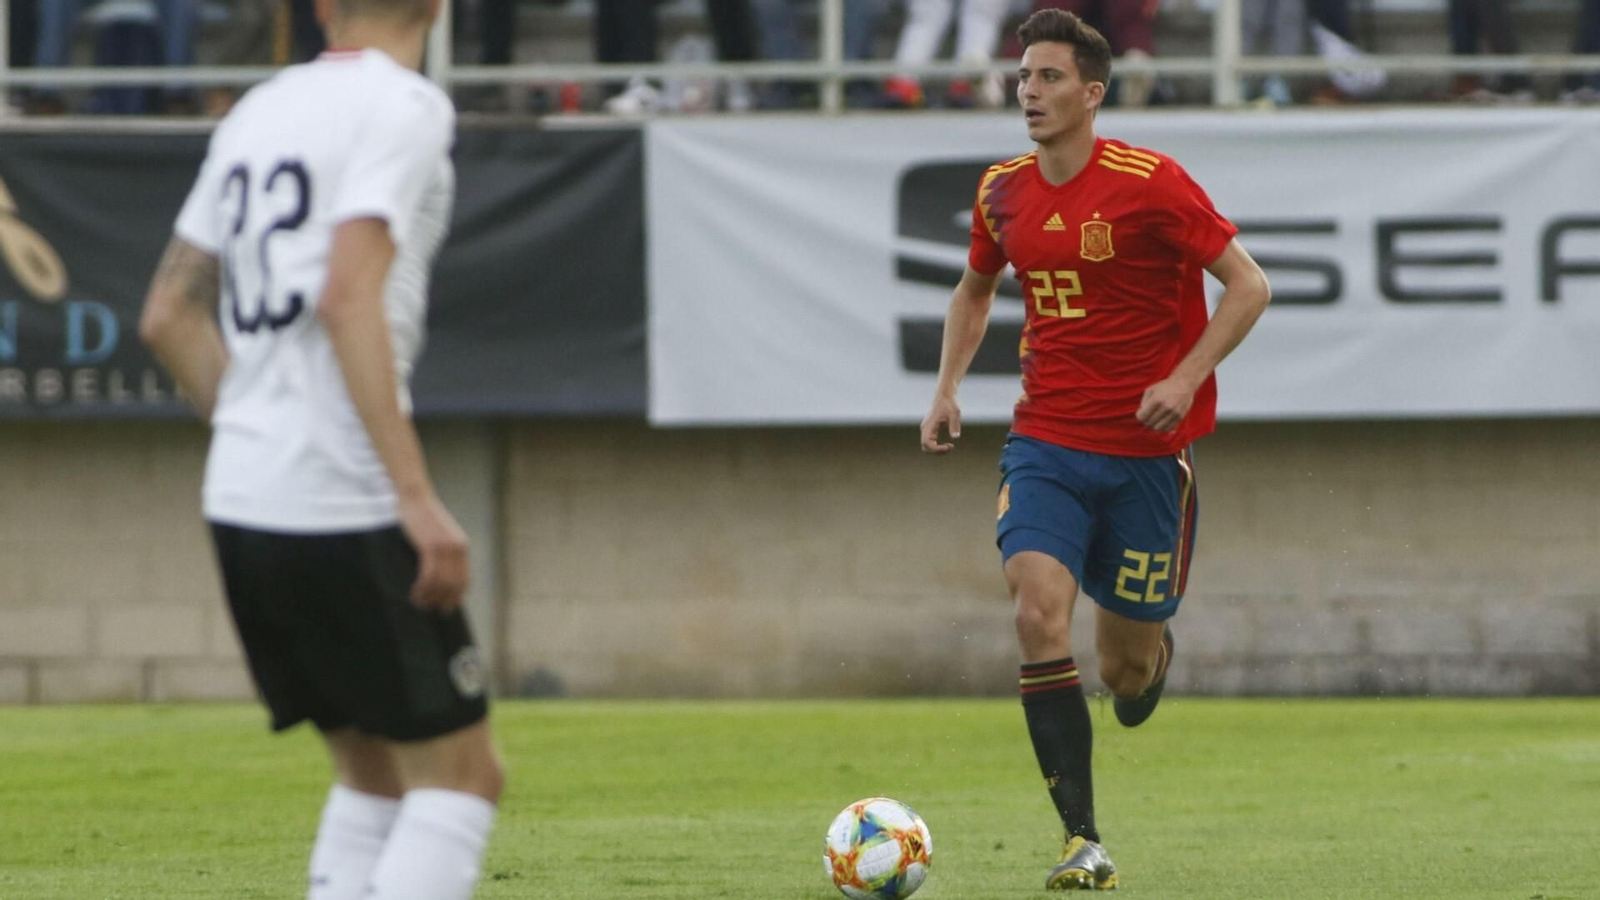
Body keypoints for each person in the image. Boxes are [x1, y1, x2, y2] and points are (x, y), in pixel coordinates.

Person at [138, 1, 504, 898]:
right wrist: (415, 497)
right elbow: (348, 297)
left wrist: (261, 437)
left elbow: (167, 315)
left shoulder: (259, 109)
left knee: (372, 778)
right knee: (463, 778)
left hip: (243, 495)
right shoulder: (406, 106)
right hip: (342, 496)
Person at [918, 9, 1270, 890]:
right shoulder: (1001, 189)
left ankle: (1150, 666)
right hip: (1046, 442)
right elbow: (973, 291)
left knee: (1124, 667)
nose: (1027, 92)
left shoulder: (1153, 184)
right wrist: (948, 388)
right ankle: (1083, 837)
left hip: (1148, 458)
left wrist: (1184, 379)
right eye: (1023, 76)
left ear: (1091, 93)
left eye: (1047, 78)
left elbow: (1248, 286)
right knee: (1037, 613)